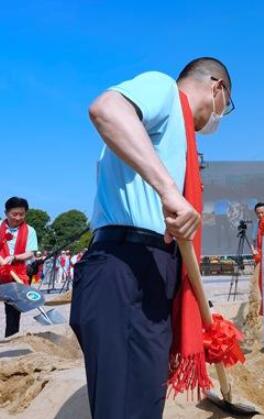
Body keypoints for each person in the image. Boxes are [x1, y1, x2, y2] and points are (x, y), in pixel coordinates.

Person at [70, 57, 233, 419]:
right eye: (226, 108)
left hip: (154, 271)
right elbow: (105, 109)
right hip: (127, 266)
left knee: (143, 401)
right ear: (217, 88)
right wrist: (169, 191)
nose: (219, 118)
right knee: (125, 405)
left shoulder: (176, 139)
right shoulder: (163, 90)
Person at [0, 197, 38, 337]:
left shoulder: (30, 230)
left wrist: (14, 257)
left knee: (13, 310)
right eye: (14, 214)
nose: (18, 217)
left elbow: (30, 253)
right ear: (6, 213)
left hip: (17, 274)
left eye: (21, 214)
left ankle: (11, 339)